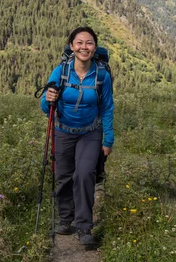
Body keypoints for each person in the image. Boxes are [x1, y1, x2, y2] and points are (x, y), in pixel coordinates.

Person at [41, 26, 114, 246]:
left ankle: (84, 227)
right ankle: (65, 219)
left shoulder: (102, 75)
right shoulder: (60, 72)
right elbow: (47, 108)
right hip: (63, 131)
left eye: (89, 43)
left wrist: (108, 139)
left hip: (90, 132)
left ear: (95, 47)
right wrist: (48, 97)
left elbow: (107, 107)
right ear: (72, 46)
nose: (84, 47)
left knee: (84, 174)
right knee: (64, 177)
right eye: (79, 43)